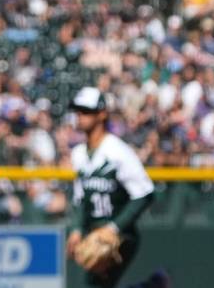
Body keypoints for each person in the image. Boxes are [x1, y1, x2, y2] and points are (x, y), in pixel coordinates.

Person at [66, 86, 154, 288]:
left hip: (120, 235)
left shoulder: (117, 151)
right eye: (77, 111)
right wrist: (76, 230)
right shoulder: (78, 153)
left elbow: (145, 193)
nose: (79, 116)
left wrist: (113, 228)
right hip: (93, 233)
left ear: (102, 113)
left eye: (86, 111)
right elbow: (80, 200)